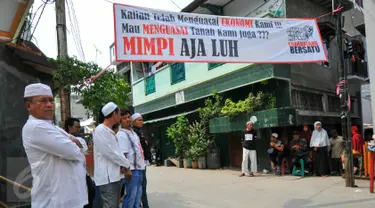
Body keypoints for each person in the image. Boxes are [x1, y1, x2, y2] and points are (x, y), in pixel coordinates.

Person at [22, 83, 88, 207]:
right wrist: (73, 142)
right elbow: (73, 151)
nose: (49, 104)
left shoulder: (52, 127)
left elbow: (83, 145)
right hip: (53, 201)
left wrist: (73, 142)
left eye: (51, 100)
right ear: (29, 105)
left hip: (69, 198)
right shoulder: (36, 127)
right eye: (43, 101)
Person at [94, 102, 132, 208]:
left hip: (114, 176)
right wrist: (126, 164)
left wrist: (123, 165)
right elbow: (109, 153)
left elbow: (117, 152)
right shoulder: (100, 130)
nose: (120, 117)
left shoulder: (110, 131)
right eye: (119, 114)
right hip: (107, 179)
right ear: (114, 114)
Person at [117, 109, 145, 208]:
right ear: (120, 121)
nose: (128, 120)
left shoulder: (133, 133)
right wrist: (127, 169)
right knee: (131, 196)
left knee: (138, 194)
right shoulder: (121, 134)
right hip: (132, 170)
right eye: (124, 118)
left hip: (139, 168)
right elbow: (123, 154)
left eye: (129, 117)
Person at [132, 113, 151, 208]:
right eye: (138, 120)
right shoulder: (133, 133)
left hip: (143, 162)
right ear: (133, 121)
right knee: (140, 187)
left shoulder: (140, 132)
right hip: (137, 164)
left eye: (142, 120)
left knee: (142, 186)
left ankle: (143, 204)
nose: (141, 122)